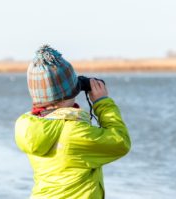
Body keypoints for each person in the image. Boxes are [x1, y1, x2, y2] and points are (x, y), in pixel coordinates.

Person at [15, 45, 131, 199]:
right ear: (70, 91)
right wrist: (103, 103)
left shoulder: (32, 126)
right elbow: (120, 142)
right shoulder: (73, 132)